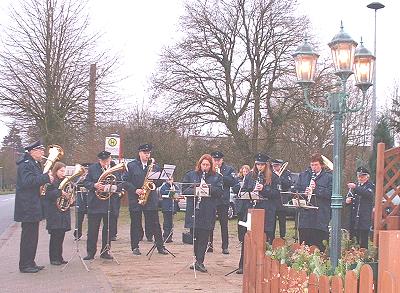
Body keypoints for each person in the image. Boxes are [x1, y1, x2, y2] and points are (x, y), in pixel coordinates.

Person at [14, 140, 54, 273]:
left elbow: (36, 182)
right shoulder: (26, 165)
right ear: (33, 151)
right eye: (41, 150)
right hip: (27, 206)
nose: (43, 153)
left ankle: (30, 262)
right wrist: (45, 178)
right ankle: (25, 265)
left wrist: (45, 181)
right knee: (28, 237)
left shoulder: (35, 164)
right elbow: (27, 182)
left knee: (33, 237)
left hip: (33, 205)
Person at [122, 143, 168, 256]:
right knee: (135, 224)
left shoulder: (154, 166)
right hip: (136, 198)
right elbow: (125, 182)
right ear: (139, 153)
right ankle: (135, 246)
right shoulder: (131, 166)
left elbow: (159, 182)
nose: (147, 155)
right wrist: (135, 190)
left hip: (150, 198)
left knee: (155, 223)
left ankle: (160, 246)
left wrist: (157, 181)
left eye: (148, 153)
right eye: (145, 153)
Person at [182, 154, 223, 273]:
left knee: (204, 237)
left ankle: (200, 261)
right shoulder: (191, 175)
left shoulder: (217, 177)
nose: (205, 167)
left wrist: (207, 188)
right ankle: (196, 260)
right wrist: (196, 189)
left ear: (211, 165)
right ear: (199, 164)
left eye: (207, 165)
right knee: (195, 236)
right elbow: (184, 189)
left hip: (207, 210)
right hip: (194, 210)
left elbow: (220, 192)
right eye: (203, 164)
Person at [83, 151, 119, 260]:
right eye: (103, 161)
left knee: (108, 229)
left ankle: (105, 251)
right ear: (99, 160)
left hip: (110, 203)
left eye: (107, 160)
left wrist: (114, 188)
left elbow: (121, 182)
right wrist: (95, 185)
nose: (105, 163)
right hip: (96, 203)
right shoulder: (93, 168)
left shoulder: (115, 168)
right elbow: (86, 182)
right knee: (93, 229)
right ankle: (91, 252)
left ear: (110, 159)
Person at [294, 153, 332, 252]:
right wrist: (304, 193)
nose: (313, 167)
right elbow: (296, 191)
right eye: (312, 165)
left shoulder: (329, 177)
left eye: (316, 165)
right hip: (305, 218)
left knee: (319, 247)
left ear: (321, 165)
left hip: (320, 218)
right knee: (304, 247)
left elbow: (331, 194)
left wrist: (316, 189)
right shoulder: (304, 175)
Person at [208, 151, 237, 254]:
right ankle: (209, 245)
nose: (216, 162)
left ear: (222, 160)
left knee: (224, 225)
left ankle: (225, 246)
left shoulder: (229, 169)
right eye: (214, 160)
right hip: (212, 199)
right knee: (210, 224)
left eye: (218, 160)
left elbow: (233, 182)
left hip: (223, 200)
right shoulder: (209, 168)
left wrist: (220, 176)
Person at [43, 162, 71, 265]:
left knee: (61, 235)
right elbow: (47, 195)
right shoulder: (51, 181)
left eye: (64, 171)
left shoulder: (65, 181)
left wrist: (70, 199)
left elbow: (69, 192)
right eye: (61, 171)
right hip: (54, 212)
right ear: (56, 170)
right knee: (55, 236)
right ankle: (53, 258)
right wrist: (60, 192)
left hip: (63, 212)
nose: (63, 173)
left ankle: (59, 256)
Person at [345, 166, 375, 249]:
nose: (360, 178)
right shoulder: (356, 185)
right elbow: (349, 196)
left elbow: (368, 194)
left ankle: (363, 257)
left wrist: (355, 187)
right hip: (354, 218)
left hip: (363, 218)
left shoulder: (370, 185)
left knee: (363, 242)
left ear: (367, 176)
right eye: (359, 176)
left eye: (362, 176)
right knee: (352, 240)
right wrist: (347, 201)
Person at [232, 164, 252, 275]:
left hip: (259, 211)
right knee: (244, 238)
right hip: (245, 210)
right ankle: (242, 265)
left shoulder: (270, 177)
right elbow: (241, 191)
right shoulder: (248, 177)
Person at [271, 159, 292, 239]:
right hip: (273, 200)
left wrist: (279, 177)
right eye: (274, 166)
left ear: (280, 165)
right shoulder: (271, 173)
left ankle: (282, 237)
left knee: (282, 220)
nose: (275, 167)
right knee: (272, 220)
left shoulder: (286, 173)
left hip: (282, 199)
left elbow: (288, 184)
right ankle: (271, 237)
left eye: (276, 166)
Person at [159, 177, 179, 242]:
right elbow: (162, 192)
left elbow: (178, 193)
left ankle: (170, 236)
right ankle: (165, 236)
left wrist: (176, 197)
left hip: (173, 207)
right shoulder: (164, 186)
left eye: (171, 179)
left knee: (171, 223)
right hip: (166, 207)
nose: (170, 181)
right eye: (168, 179)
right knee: (166, 223)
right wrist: (170, 191)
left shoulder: (175, 186)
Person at [74, 163, 90, 240]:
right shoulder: (78, 177)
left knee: (90, 218)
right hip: (80, 199)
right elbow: (74, 186)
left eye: (87, 170)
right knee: (79, 218)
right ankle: (77, 234)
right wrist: (81, 179)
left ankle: (90, 234)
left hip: (89, 199)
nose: (86, 171)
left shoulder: (91, 177)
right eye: (85, 169)